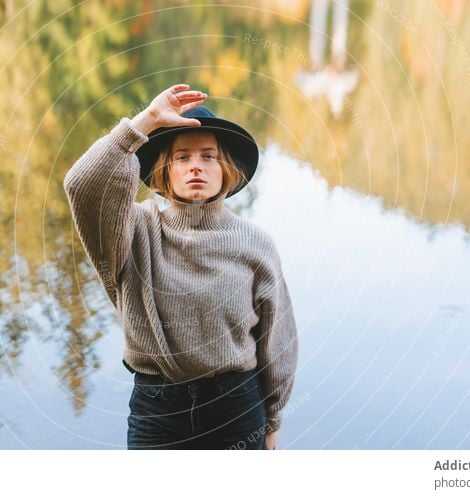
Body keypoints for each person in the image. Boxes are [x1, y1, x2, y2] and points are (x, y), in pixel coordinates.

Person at [63, 83, 298, 450]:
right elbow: (82, 184)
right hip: (157, 411)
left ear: (226, 169)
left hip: (235, 409)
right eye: (182, 157)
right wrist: (147, 121)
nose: (195, 168)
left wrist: (272, 420)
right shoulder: (132, 230)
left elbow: (277, 342)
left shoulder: (255, 242)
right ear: (165, 170)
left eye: (208, 156)